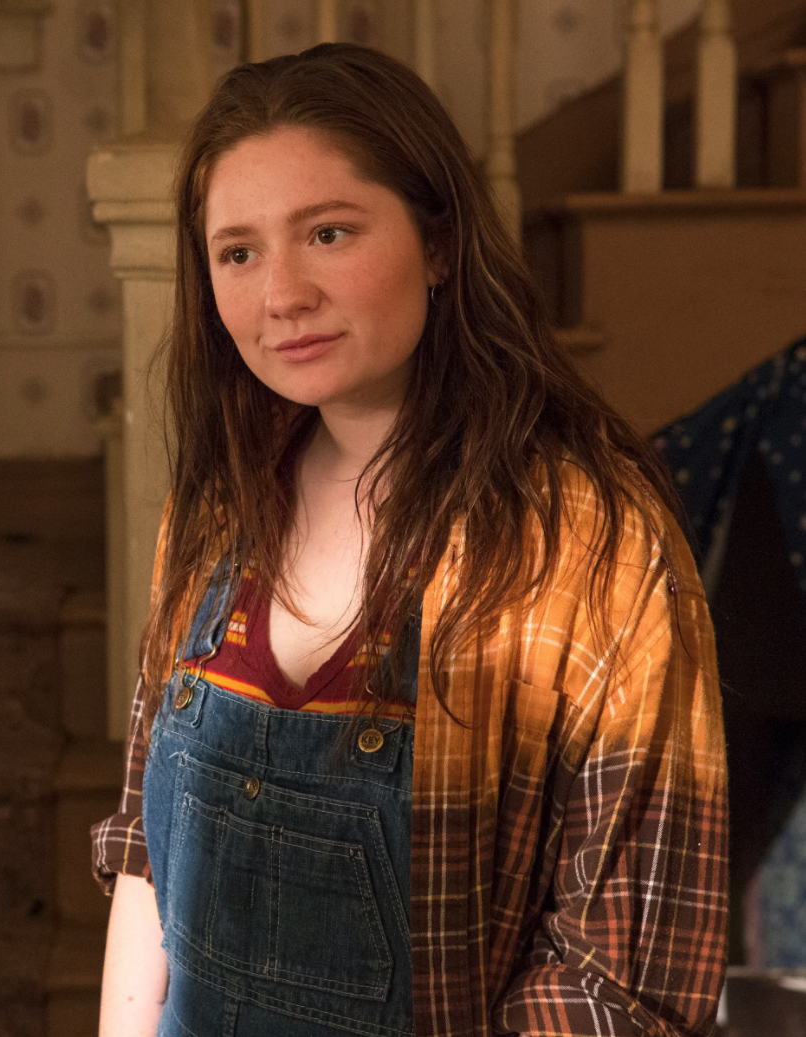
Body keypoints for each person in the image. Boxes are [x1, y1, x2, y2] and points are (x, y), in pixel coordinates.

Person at [92, 43, 728, 1037]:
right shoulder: (216, 504)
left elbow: (616, 980)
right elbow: (144, 856)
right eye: (237, 251)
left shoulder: (587, 538)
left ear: (438, 245)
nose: (281, 292)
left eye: (329, 231)